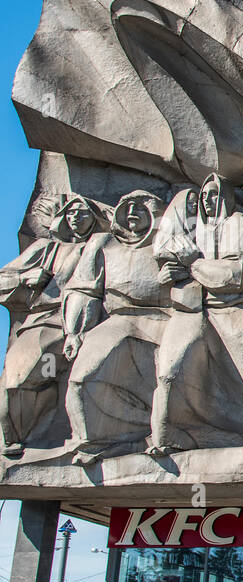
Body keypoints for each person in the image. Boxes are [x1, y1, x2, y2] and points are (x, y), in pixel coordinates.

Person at [149, 174, 243, 454]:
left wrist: (193, 264)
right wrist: (169, 275)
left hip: (237, 307)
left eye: (214, 194)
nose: (208, 201)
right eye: (204, 196)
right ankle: (171, 438)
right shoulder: (195, 231)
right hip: (193, 310)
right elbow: (170, 267)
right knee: (170, 373)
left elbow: (235, 277)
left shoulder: (239, 223)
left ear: (227, 197)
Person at [64, 191, 171, 464]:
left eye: (140, 207)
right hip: (116, 319)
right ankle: (95, 442)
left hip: (163, 319)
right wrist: (75, 332)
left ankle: (161, 435)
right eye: (127, 206)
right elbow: (84, 289)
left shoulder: (168, 242)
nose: (133, 211)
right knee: (82, 379)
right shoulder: (103, 243)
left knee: (171, 377)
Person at [0, 195, 103, 456]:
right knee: (18, 379)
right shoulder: (48, 248)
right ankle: (21, 437)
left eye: (82, 212)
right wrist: (25, 278)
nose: (76, 218)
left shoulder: (104, 245)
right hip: (47, 321)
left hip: (95, 323)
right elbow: (3, 281)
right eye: (71, 213)